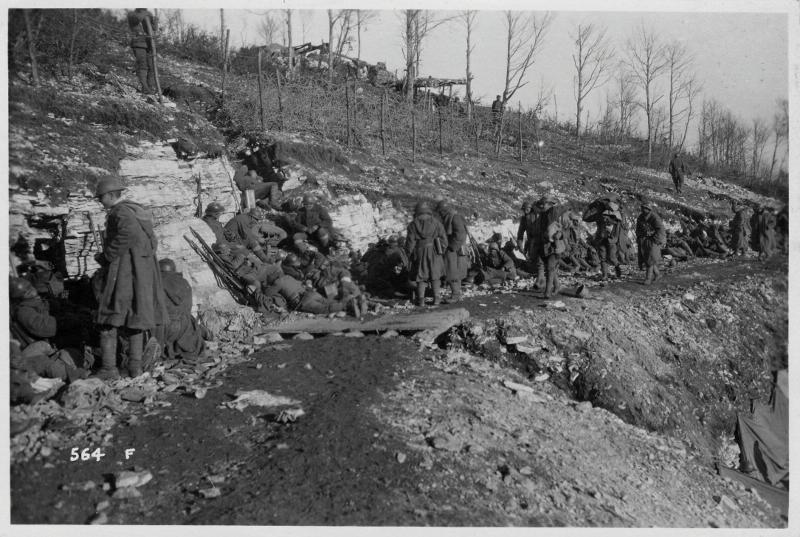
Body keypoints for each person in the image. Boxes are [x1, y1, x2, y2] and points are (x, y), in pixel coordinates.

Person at [92, 176, 167, 379]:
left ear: (110, 195)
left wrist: (107, 255)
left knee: (109, 316)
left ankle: (109, 369)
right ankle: (135, 367)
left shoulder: (120, 212)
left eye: (101, 198)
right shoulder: (136, 210)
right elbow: (151, 241)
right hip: (140, 273)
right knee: (136, 316)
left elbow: (129, 233)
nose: (100, 202)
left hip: (125, 272)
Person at [10, 277, 87, 382]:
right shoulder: (24, 311)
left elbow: (61, 305)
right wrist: (66, 321)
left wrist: (76, 312)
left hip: (58, 343)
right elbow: (42, 326)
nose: (31, 291)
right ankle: (72, 373)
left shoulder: (41, 300)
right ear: (18, 298)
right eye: (25, 292)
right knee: (54, 366)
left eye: (30, 287)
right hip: (45, 346)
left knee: (75, 355)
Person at [159, 259, 209, 361]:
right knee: (190, 323)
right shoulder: (184, 282)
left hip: (164, 328)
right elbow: (187, 308)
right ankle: (201, 332)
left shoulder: (156, 283)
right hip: (184, 326)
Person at [405, 201, 447, 307]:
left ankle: (421, 300)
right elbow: (444, 240)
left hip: (419, 251)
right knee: (435, 275)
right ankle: (436, 298)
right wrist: (440, 250)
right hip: (434, 250)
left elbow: (410, 242)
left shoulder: (413, 224)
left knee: (421, 276)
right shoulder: (436, 222)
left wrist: (410, 254)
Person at [436, 200, 470, 302]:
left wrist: (451, 247)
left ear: (444, 210)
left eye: (441, 211)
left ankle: (455, 295)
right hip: (454, 249)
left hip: (456, 250)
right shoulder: (450, 217)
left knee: (452, 272)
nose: (440, 214)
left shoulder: (454, 217)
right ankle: (456, 294)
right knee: (454, 272)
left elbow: (460, 235)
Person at [534, 196, 567, 298]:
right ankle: (557, 286)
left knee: (550, 268)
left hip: (554, 246)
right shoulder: (542, 216)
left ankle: (547, 292)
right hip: (544, 246)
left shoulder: (557, 214)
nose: (542, 206)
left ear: (550, 204)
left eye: (544, 204)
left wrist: (560, 234)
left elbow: (566, 231)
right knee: (550, 268)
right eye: (541, 204)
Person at [635, 201, 667, 285]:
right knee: (647, 259)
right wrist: (639, 236)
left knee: (650, 258)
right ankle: (658, 274)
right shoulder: (640, 217)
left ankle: (648, 279)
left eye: (645, 208)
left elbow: (660, 229)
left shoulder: (655, 217)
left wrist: (655, 238)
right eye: (642, 208)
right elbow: (638, 229)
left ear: (649, 209)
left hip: (653, 240)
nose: (643, 210)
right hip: (644, 240)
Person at [127, 9, 157, 95]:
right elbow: (137, 19)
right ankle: (145, 88)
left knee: (151, 67)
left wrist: (155, 21)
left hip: (149, 45)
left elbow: (153, 28)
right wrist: (147, 14)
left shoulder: (148, 14)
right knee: (143, 66)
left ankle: (150, 88)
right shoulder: (132, 14)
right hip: (138, 44)